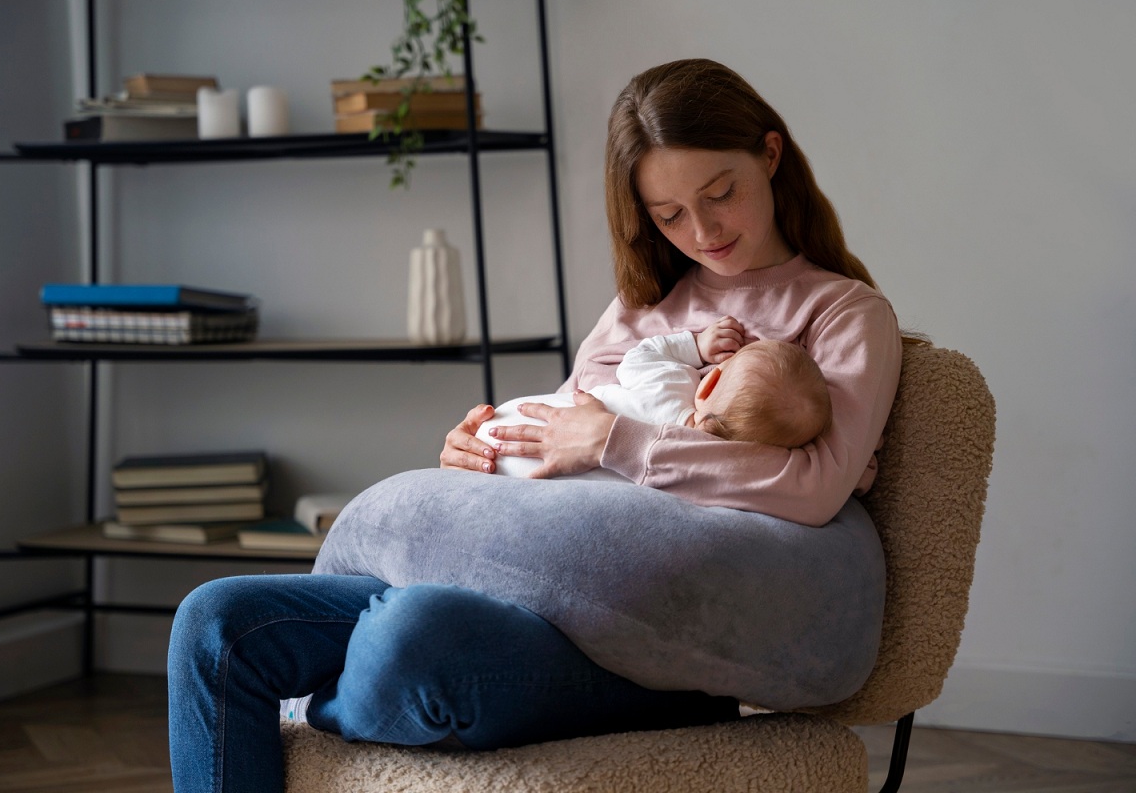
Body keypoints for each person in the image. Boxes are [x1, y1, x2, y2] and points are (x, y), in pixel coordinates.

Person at [168, 58, 902, 793]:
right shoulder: (641, 309)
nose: (703, 230)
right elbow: (560, 441)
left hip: (647, 641)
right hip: (522, 589)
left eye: (720, 194)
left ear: (769, 156)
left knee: (410, 635)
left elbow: (815, 485)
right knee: (214, 622)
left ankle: (322, 702)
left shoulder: (841, 314)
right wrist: (483, 454)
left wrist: (613, 441)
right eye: (669, 214)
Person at [477, 316, 833, 480]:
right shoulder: (697, 463)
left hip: (506, 427)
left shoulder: (673, 382)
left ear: (709, 383)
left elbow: (640, 356)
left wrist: (696, 346)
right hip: (534, 478)